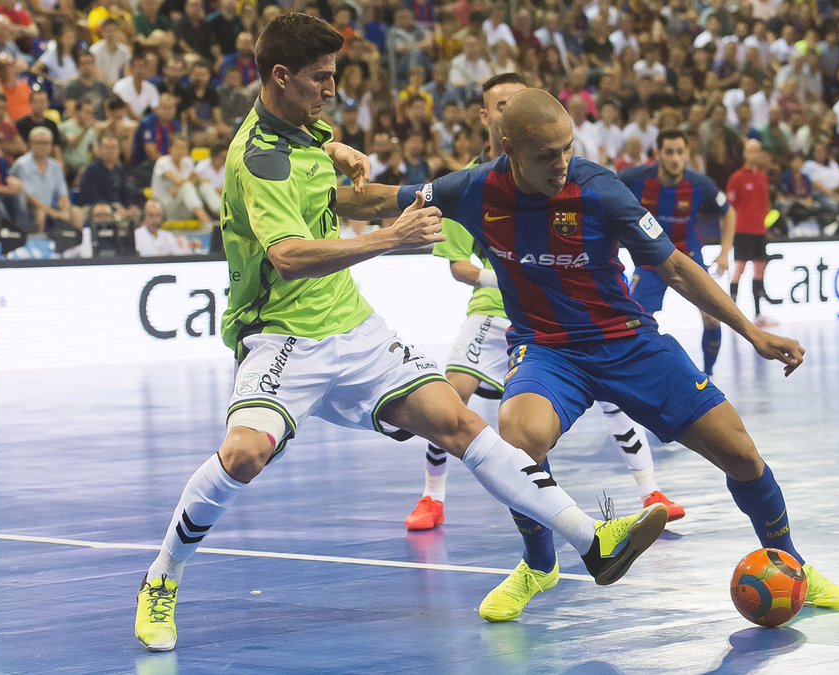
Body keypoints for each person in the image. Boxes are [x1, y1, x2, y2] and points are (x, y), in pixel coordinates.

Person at [134, 14, 667, 653]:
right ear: (280, 76)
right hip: (282, 337)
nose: (332, 89)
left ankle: (592, 543)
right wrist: (392, 238)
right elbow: (288, 256)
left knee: (460, 423)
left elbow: (322, 184)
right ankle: (162, 577)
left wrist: (346, 157)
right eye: (320, 78)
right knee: (244, 455)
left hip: (354, 329)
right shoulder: (261, 161)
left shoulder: (300, 129)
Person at [384, 88, 839, 623]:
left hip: (627, 341)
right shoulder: (475, 189)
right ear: (510, 148)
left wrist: (750, 332)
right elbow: (381, 199)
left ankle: (793, 565)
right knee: (517, 438)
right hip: (548, 350)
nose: (562, 162)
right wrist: (318, 179)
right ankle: (538, 565)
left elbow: (675, 267)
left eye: (568, 148)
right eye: (548, 154)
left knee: (742, 454)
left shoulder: (600, 190)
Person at [403, 73, 685, 533]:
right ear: (489, 118)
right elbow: (458, 266)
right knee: (451, 394)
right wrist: (514, 272)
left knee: (612, 399)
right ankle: (432, 497)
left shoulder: (563, 174)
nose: (510, 108)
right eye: (501, 105)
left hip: (560, 316)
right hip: (493, 310)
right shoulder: (466, 185)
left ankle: (651, 491)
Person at [618, 129, 734, 376]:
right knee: (636, 322)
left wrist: (725, 252)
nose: (675, 158)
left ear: (687, 154)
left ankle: (708, 375)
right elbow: (603, 198)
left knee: (712, 317)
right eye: (669, 152)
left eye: (680, 152)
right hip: (650, 260)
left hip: (689, 257)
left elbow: (729, 212)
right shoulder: (634, 179)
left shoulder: (700, 184)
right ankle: (639, 376)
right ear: (657, 153)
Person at [726, 139, 774, 324]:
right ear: (745, 153)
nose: (755, 154)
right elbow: (730, 207)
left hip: (759, 231)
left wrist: (765, 224)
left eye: (758, 150)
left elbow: (765, 203)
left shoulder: (762, 176)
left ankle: (758, 314)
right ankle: (731, 314)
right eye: (752, 150)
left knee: (759, 271)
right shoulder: (737, 178)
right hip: (743, 231)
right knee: (739, 269)